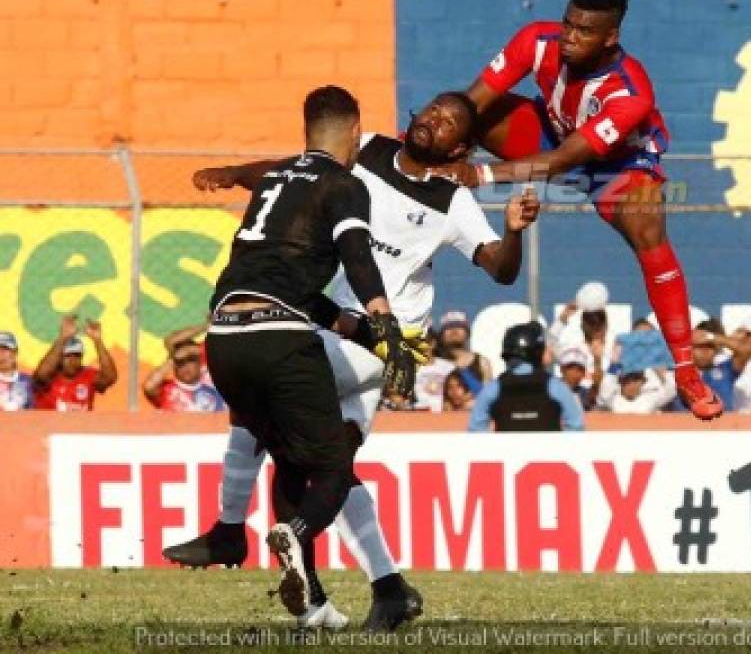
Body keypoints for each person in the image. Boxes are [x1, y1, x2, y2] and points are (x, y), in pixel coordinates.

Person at [166, 90, 538, 630]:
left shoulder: (452, 200)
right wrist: (235, 172)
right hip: (326, 322)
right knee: (325, 463)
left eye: (450, 121)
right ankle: (381, 590)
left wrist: (513, 231)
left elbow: (500, 268)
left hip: (382, 340)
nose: (435, 119)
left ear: (461, 147)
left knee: (268, 411)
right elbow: (297, 172)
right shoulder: (365, 152)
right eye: (433, 108)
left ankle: (229, 530)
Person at [435, 0, 721, 420]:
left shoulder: (631, 93)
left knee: (649, 233)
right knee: (457, 109)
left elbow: (562, 162)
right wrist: (432, 144)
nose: (569, 37)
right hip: (554, 131)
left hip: (619, 166)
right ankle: (402, 169)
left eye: (584, 31)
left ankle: (685, 370)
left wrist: (478, 174)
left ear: (611, 37)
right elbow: (470, 103)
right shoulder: (537, 41)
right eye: (569, 24)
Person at [198, 85, 411, 627]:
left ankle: (311, 608)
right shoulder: (344, 184)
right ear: (356, 136)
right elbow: (357, 254)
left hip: (222, 339)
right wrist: (385, 319)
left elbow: (292, 286)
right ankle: (293, 534)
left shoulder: (275, 180)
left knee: (288, 460)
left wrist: (359, 329)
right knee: (335, 464)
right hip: (278, 339)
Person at [469, 322, 585, 431]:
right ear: (539, 352)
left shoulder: (493, 389)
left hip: (506, 452)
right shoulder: (556, 387)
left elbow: (476, 430)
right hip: (549, 452)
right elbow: (576, 426)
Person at [33, 316, 117, 411]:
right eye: (68, 355)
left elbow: (110, 377)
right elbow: (41, 375)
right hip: (50, 425)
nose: (72, 360)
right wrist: (63, 337)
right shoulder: (49, 377)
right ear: (59, 356)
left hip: (80, 425)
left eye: (77, 355)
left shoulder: (88, 376)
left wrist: (98, 341)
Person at [142, 334, 225, 413]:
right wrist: (173, 359)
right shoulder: (167, 390)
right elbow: (149, 386)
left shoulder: (212, 393)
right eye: (180, 362)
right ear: (174, 366)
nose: (186, 367)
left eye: (190, 361)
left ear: (199, 364)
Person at [0, 331, 33, 410]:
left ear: (15, 353)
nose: (1, 354)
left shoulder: (28, 382)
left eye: (5, 349)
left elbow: (33, 411)